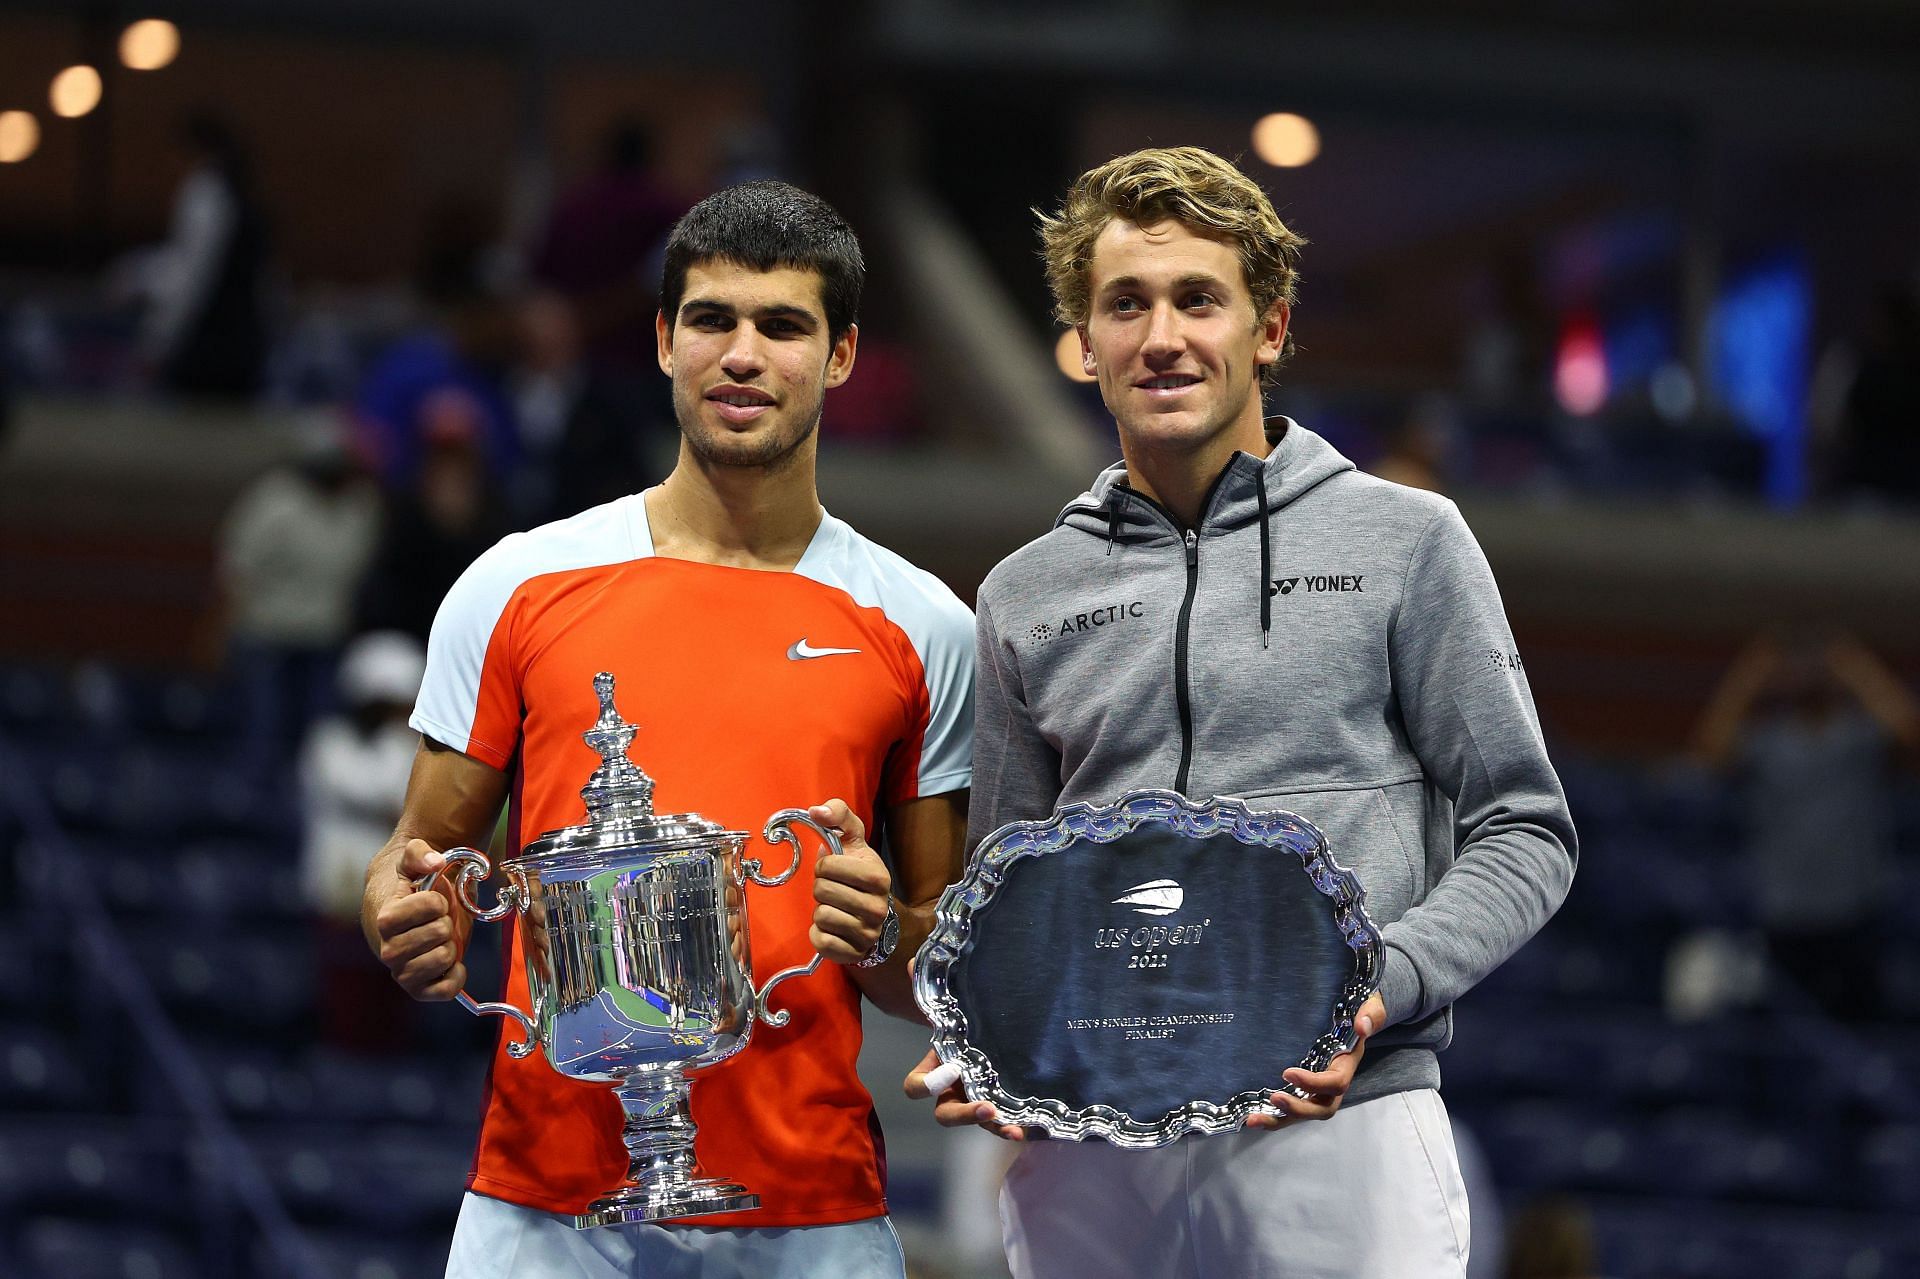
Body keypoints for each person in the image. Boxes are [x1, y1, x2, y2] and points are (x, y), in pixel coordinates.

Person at [908, 146, 1578, 1278]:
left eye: (1196, 300)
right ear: (1085, 343)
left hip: (1337, 1121)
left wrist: (1377, 983)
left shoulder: (1407, 543)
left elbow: (1527, 830)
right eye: (1125, 304)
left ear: (1267, 328)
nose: (1161, 335)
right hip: (1092, 1150)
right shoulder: (1025, 592)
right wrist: (996, 1025)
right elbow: (1012, 885)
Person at [361, 181, 974, 1278]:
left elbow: (937, 968)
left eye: (783, 325)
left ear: (839, 358)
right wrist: (404, 917)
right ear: (661, 340)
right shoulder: (518, 582)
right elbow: (422, 860)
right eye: (712, 320)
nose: (743, 354)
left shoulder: (927, 627)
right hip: (544, 1204)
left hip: (811, 1210)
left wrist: (882, 929)